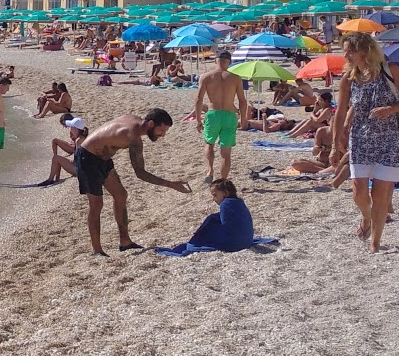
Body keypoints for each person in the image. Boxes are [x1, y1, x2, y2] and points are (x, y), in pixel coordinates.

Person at [330, 31, 399, 251]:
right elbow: (340, 113)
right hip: (360, 139)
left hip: (391, 139)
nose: (347, 56)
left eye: (350, 51)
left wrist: (391, 109)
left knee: (380, 193)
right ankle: (366, 218)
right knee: (358, 192)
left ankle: (375, 242)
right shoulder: (349, 79)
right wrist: (334, 145)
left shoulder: (390, 71)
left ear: (365, 50)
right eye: (346, 52)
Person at [74, 110, 191, 255]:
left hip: (103, 159)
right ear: (151, 123)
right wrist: (171, 184)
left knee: (121, 195)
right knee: (96, 204)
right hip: (87, 159)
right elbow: (140, 173)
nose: (162, 135)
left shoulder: (135, 120)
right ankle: (97, 250)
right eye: (161, 130)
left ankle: (125, 242)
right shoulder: (134, 136)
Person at [193, 50, 248, 184]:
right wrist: (244, 118)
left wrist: (198, 119)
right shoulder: (235, 78)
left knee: (209, 143)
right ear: (229, 62)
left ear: (215, 60)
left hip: (213, 114)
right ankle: (223, 181)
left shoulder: (206, 76)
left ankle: (209, 171)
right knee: (226, 152)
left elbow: (198, 99)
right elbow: (242, 101)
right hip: (229, 115)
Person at [42, 116, 87, 184]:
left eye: (71, 127)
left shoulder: (78, 140)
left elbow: (79, 159)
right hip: (83, 167)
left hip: (79, 170)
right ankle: (56, 179)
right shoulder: (83, 137)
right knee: (58, 158)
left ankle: (50, 180)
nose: (70, 129)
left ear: (75, 128)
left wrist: (72, 162)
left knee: (56, 158)